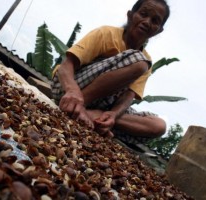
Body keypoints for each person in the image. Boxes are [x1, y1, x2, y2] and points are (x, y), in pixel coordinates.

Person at [51, 0, 170, 144]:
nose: (147, 22)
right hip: (68, 90)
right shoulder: (106, 33)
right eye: (143, 14)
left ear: (159, 30)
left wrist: (113, 115)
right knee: (140, 63)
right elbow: (66, 66)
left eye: (155, 21)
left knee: (158, 126)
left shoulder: (147, 60)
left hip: (101, 106)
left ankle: (94, 116)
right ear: (130, 15)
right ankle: (78, 107)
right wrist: (73, 92)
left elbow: (128, 96)